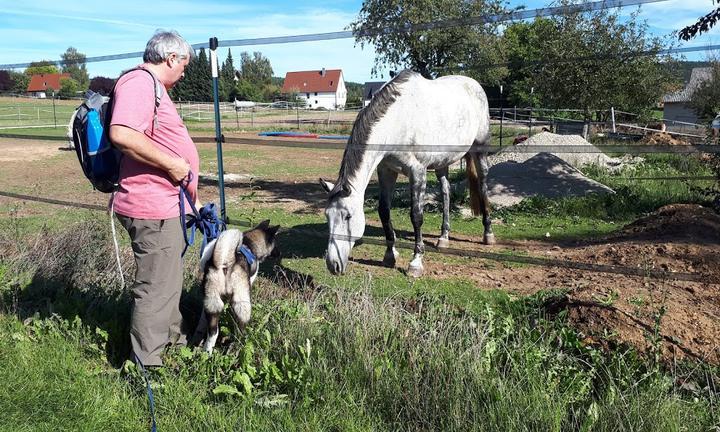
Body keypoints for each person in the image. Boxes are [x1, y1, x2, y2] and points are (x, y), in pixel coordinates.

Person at [109, 30, 199, 367]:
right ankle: (146, 368)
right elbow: (122, 133)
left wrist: (194, 201)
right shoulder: (139, 83)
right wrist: (175, 163)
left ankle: (173, 341)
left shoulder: (154, 88)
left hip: (167, 204)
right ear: (171, 58)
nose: (185, 72)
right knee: (154, 288)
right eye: (184, 65)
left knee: (167, 282)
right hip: (151, 208)